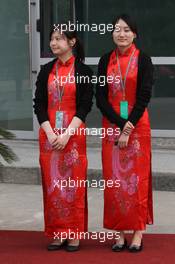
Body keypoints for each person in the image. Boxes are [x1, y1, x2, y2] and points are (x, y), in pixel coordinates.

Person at [96, 14, 154, 253]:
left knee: (137, 182)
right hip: (111, 126)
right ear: (112, 33)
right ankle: (119, 234)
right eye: (117, 29)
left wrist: (128, 127)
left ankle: (137, 232)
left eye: (127, 29)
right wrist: (119, 125)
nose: (121, 34)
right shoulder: (104, 60)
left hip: (138, 126)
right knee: (115, 182)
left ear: (135, 34)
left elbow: (144, 96)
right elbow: (100, 98)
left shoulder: (143, 60)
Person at [33, 23, 93, 252]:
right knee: (53, 185)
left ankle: (74, 232)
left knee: (73, 185)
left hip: (73, 136)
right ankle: (57, 232)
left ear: (72, 42)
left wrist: (67, 134)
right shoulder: (46, 70)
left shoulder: (84, 72)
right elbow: (38, 104)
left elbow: (85, 106)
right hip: (48, 136)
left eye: (59, 38)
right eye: (52, 39)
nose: (53, 43)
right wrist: (49, 132)